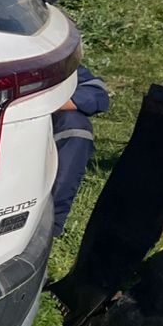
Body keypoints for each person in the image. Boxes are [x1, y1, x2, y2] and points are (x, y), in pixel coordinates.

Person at [53, 65, 111, 236]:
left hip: (37, 122)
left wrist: (49, 104)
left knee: (76, 127)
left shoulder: (41, 58)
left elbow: (95, 92)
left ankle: (50, 223)